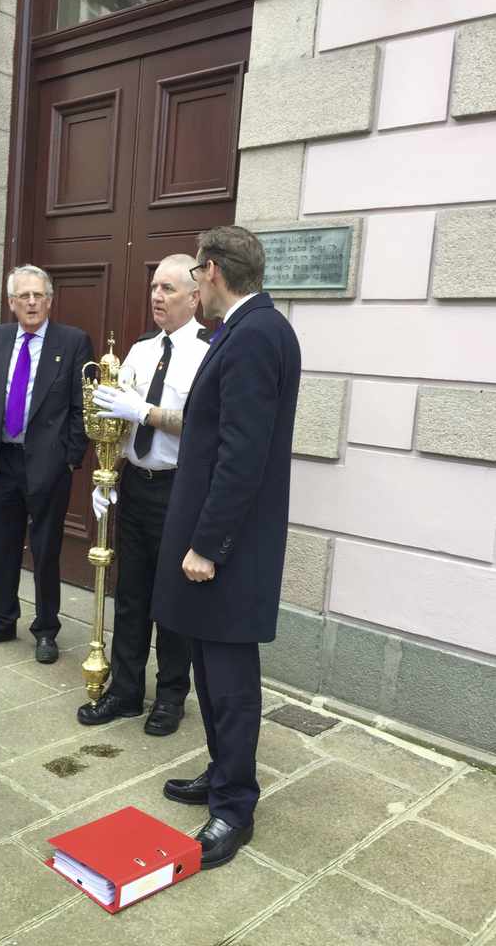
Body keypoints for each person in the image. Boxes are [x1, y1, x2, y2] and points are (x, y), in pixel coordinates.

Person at [152, 226, 301, 869]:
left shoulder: (256, 333)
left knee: (231, 682)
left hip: (230, 548)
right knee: (211, 675)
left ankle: (234, 807)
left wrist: (209, 544)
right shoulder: (250, 329)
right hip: (216, 537)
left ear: (210, 271)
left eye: (193, 277)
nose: (190, 289)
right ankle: (221, 776)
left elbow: (243, 454)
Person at [76, 254, 209, 736]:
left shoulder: (208, 352)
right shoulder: (138, 350)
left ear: (194, 297)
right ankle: (126, 690)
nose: (157, 296)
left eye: (169, 289)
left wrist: (147, 411)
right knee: (130, 593)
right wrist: (105, 476)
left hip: (179, 486)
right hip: (135, 483)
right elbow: (112, 424)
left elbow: (202, 426)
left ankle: (171, 696)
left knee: (172, 598)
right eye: (154, 287)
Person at [0, 265, 92, 664]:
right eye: (24, 296)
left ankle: (46, 628)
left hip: (48, 465)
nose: (32, 302)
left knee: (46, 549)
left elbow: (80, 408)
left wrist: (71, 458)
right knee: (0, 544)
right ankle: (2, 619)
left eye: (39, 295)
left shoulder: (72, 342)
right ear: (11, 302)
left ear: (50, 300)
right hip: (3, 461)